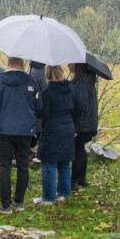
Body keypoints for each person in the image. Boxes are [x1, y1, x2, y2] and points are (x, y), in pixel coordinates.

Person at [0, 56, 42, 214]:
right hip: (25, 130)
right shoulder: (31, 81)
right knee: (22, 165)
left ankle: (5, 204)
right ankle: (19, 201)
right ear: (22, 63)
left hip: (4, 130)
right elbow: (38, 106)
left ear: (8, 63)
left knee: (5, 166)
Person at [34, 65, 85, 205]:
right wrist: (71, 120)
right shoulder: (71, 88)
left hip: (52, 129)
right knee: (64, 162)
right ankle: (64, 193)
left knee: (49, 163)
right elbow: (80, 108)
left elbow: (43, 114)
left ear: (48, 74)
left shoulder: (47, 92)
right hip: (68, 127)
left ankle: (48, 197)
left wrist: (36, 102)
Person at [69, 62, 99, 189]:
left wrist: (76, 126)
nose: (68, 66)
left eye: (70, 63)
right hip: (89, 122)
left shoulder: (80, 82)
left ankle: (75, 179)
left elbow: (82, 105)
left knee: (77, 151)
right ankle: (82, 177)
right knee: (81, 149)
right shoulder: (88, 81)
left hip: (82, 124)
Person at [29, 60, 49, 152]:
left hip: (37, 113)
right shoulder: (43, 70)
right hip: (44, 110)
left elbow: (33, 92)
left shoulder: (34, 72)